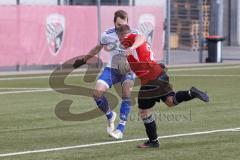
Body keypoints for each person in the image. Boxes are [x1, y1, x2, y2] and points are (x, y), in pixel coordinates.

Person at [112, 24, 209, 148]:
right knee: (170, 101)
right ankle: (191, 93)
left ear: (121, 34)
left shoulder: (130, 38)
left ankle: (153, 141)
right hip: (158, 74)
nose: (119, 39)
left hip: (150, 80)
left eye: (118, 35)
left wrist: (132, 47)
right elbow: (137, 60)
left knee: (144, 111)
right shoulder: (129, 46)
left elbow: (140, 38)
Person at [73, 10, 137, 139]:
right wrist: (83, 60)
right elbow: (97, 48)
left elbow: (144, 50)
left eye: (123, 24)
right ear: (114, 23)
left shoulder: (135, 34)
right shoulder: (107, 35)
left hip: (128, 70)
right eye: (118, 24)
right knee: (96, 93)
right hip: (112, 69)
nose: (121, 27)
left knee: (126, 93)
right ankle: (110, 115)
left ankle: (121, 128)